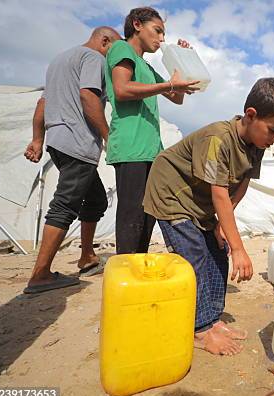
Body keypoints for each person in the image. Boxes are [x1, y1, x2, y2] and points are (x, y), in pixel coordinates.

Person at [143, 78, 274, 355]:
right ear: (251, 115)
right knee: (195, 257)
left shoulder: (257, 145)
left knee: (217, 251)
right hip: (171, 194)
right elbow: (219, 194)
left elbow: (241, 184)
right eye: (273, 130)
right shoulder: (218, 138)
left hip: (199, 202)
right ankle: (200, 331)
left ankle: (212, 320)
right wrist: (240, 248)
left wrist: (221, 229)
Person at [23, 27, 122, 294]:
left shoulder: (60, 60)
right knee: (65, 205)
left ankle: (86, 256)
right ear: (104, 42)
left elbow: (42, 103)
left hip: (58, 140)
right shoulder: (94, 59)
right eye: (115, 49)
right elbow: (88, 96)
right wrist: (108, 137)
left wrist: (37, 139)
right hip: (78, 141)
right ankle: (40, 274)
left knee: (96, 200)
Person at [105, 6, 199, 254]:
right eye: (157, 31)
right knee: (131, 217)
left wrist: (182, 62)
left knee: (147, 217)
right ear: (137, 24)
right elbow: (122, 89)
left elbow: (177, 97)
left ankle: (137, 271)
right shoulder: (121, 48)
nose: (161, 39)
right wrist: (169, 83)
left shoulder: (145, 67)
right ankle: (125, 274)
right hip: (131, 147)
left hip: (150, 151)